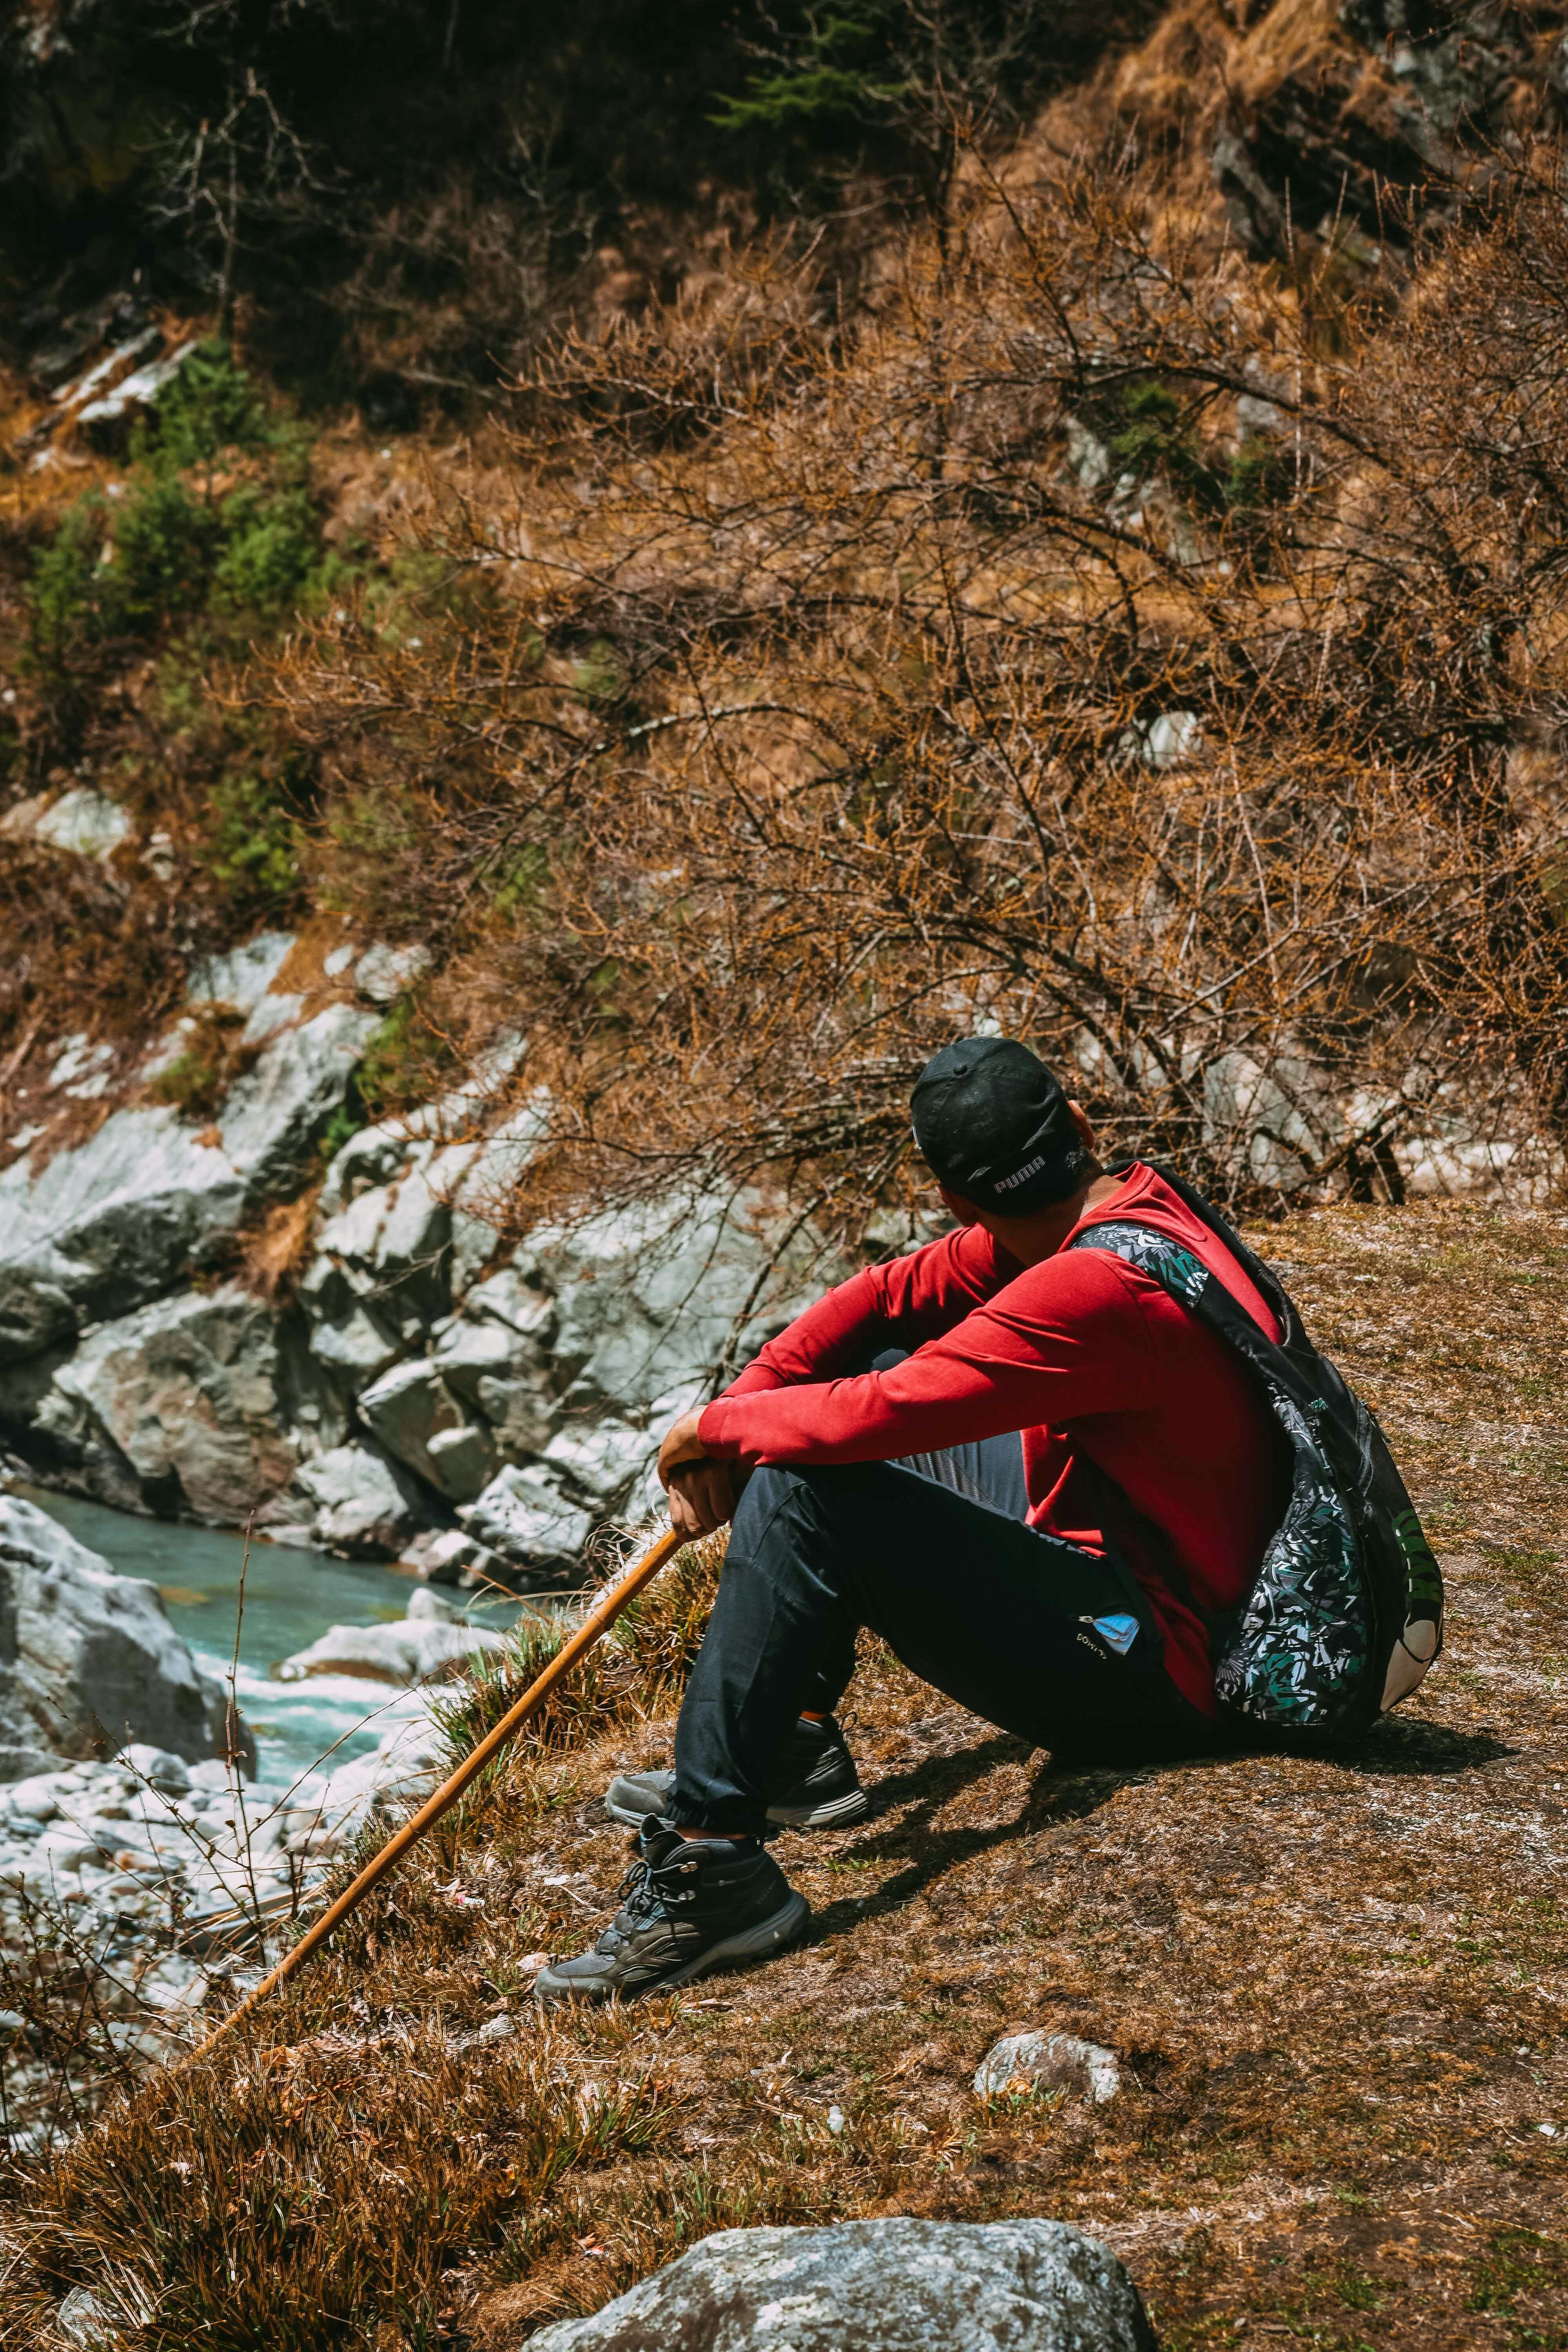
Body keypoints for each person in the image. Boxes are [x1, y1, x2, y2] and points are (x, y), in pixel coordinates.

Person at [533, 1036, 1290, 2007]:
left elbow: (881, 1415)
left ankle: (710, 1861)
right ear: (1084, 1132)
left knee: (808, 1479)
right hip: (1201, 1598)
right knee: (852, 1388)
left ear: (956, 1198)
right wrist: (751, 1404)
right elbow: (886, 1298)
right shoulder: (1134, 1213)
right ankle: (791, 1744)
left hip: (1173, 1669)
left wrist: (712, 1430)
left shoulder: (1091, 1291)